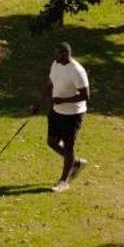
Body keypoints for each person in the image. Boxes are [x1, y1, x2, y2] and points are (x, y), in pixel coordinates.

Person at [37, 41, 89, 192]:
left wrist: (63, 100)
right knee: (52, 142)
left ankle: (63, 181)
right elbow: (50, 84)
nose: (55, 56)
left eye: (58, 53)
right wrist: (38, 104)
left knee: (68, 147)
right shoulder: (56, 64)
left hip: (73, 114)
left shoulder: (77, 71)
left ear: (66, 54)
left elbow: (86, 95)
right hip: (56, 111)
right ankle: (76, 163)